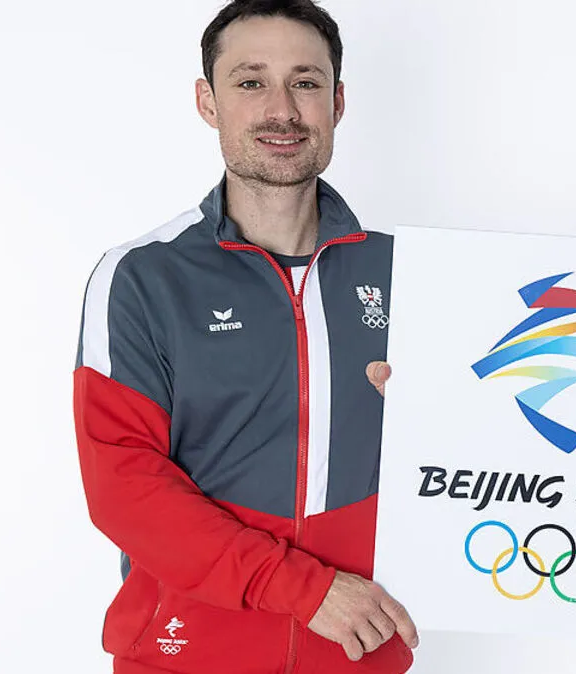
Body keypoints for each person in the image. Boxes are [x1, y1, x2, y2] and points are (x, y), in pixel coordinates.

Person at [72, 2, 417, 672]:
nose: (282, 110)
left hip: (361, 654)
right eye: (251, 81)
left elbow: (497, 443)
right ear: (209, 101)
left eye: (306, 82)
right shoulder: (144, 276)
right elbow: (125, 485)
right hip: (185, 656)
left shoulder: (407, 274)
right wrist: (305, 590)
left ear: (338, 102)